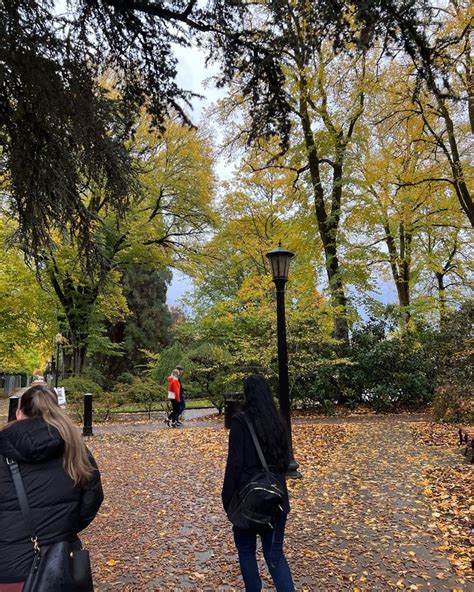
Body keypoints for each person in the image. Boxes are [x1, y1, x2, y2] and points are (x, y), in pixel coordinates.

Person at [0, 383, 104, 591]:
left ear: (19, 413)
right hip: (60, 561)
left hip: (9, 567)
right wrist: (64, 525)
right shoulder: (74, 448)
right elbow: (92, 497)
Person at [222, 374, 294, 592]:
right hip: (275, 501)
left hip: (247, 499)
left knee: (246, 553)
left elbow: (234, 464)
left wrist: (227, 499)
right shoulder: (278, 422)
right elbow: (284, 463)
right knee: (275, 557)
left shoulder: (241, 422)